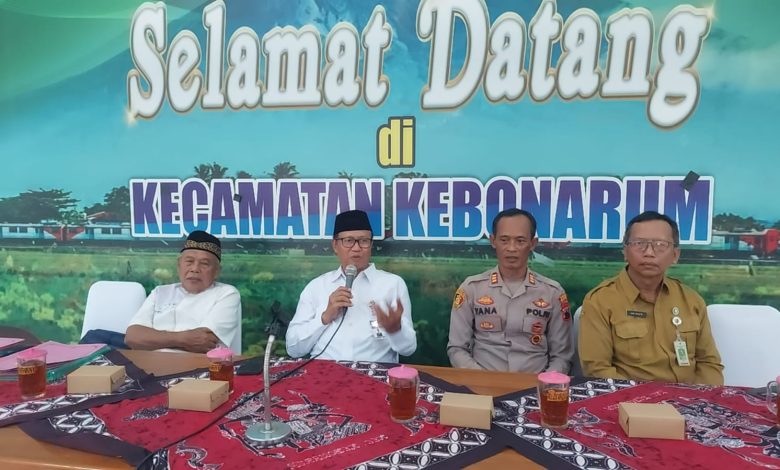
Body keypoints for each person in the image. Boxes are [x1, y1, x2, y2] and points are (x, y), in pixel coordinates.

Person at [578, 211, 723, 385]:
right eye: (639, 244)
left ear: (675, 255)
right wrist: (650, 399)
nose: (649, 252)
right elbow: (597, 370)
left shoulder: (691, 300)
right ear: (625, 251)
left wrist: (698, 397)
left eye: (660, 244)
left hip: (689, 398)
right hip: (630, 398)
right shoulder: (600, 301)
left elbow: (709, 363)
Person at [448, 208, 573, 373]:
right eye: (504, 240)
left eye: (520, 241)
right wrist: (481, 380)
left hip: (535, 384)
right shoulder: (471, 289)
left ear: (532, 243)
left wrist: (545, 384)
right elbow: (457, 349)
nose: (511, 248)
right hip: (480, 382)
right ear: (493, 241)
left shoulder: (552, 293)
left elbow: (562, 357)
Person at [286, 210, 416, 362]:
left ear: (371, 245)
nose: (356, 248)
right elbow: (293, 349)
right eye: (348, 241)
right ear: (335, 245)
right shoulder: (317, 286)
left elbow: (409, 349)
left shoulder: (392, 284)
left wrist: (395, 330)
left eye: (363, 241)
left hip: (374, 373)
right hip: (325, 372)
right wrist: (325, 317)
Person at [125, 230, 241, 353]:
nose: (195, 269)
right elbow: (132, 337)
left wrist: (152, 340)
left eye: (204, 264)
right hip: (150, 363)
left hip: (197, 364)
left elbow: (204, 342)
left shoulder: (227, 294)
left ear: (217, 271)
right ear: (179, 265)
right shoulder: (160, 292)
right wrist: (182, 339)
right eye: (189, 262)